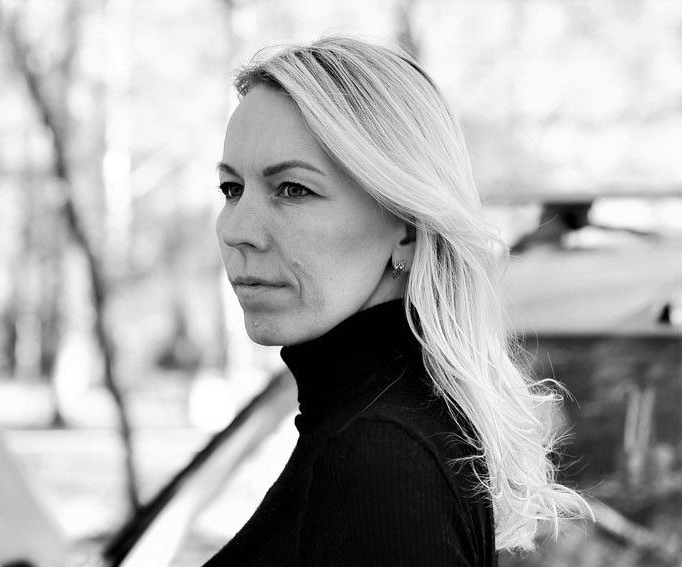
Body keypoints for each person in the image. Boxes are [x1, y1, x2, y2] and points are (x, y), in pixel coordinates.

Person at [205, 37, 590, 566]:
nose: (237, 230)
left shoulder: (378, 456)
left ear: (407, 228)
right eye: (231, 189)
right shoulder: (379, 427)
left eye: (293, 189)